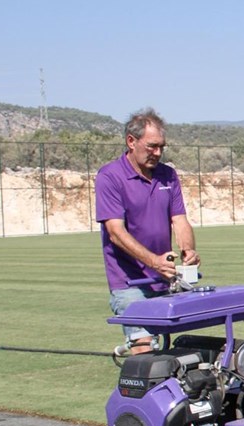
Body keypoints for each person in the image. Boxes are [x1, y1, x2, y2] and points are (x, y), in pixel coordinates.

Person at [96, 108, 199, 354]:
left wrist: (188, 251)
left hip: (166, 279)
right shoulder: (110, 177)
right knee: (145, 352)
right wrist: (154, 262)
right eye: (152, 146)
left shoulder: (168, 175)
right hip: (130, 283)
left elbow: (180, 219)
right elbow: (115, 232)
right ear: (131, 142)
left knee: (179, 354)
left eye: (162, 147)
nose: (158, 153)